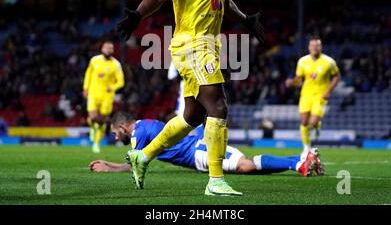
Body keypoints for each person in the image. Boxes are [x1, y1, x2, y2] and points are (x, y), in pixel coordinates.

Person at [116, 0, 264, 196]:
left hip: (209, 46)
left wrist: (246, 20)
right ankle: (216, 180)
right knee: (218, 107)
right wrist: (138, 14)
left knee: (192, 117)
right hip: (191, 46)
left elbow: (225, 0)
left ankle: (143, 156)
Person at [89, 112, 323, 178]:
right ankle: (300, 161)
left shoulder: (137, 133)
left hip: (197, 152)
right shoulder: (146, 124)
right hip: (197, 148)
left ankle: (300, 163)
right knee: (248, 168)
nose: (115, 138)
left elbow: (135, 165)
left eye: (114, 134)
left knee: (245, 166)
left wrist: (108, 167)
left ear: (122, 127)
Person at [285, 36, 340, 151]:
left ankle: (316, 126)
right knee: (304, 122)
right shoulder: (302, 61)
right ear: (309, 47)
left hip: (320, 96)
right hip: (306, 95)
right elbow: (299, 79)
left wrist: (328, 91)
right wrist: (292, 82)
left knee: (313, 121)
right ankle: (307, 148)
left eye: (317, 45)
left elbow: (336, 76)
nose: (315, 47)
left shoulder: (329, 62)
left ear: (321, 47)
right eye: (312, 45)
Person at [82, 41, 125, 153]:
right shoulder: (94, 60)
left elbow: (121, 82)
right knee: (93, 117)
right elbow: (88, 74)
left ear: (113, 51)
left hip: (107, 96)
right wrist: (85, 88)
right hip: (93, 93)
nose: (108, 50)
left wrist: (112, 87)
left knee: (102, 120)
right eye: (106, 48)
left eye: (110, 48)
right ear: (102, 49)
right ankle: (92, 127)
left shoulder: (116, 64)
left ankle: (96, 144)